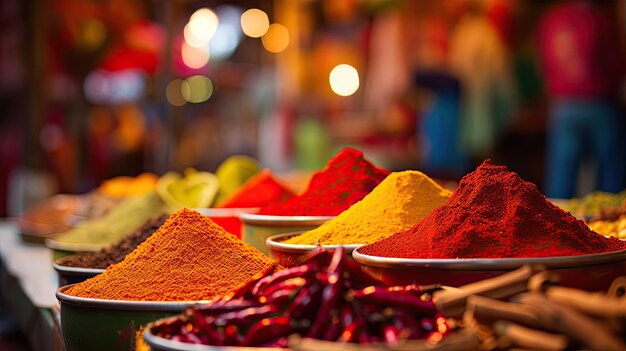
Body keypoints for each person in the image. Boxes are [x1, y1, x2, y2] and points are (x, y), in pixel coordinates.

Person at [538, 0, 625, 199]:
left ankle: (554, 224)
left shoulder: (552, 19)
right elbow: (615, 63)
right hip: (599, 102)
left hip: (564, 104)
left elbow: (544, 62)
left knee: (562, 174)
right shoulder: (601, 19)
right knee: (610, 173)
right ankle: (611, 222)